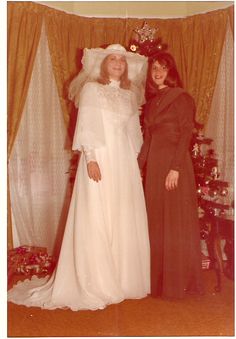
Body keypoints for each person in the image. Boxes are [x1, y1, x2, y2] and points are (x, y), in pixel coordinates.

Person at [8, 44, 150, 311]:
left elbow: (133, 133)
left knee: (122, 215)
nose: (118, 64)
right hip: (100, 158)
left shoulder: (130, 95)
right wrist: (91, 158)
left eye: (122, 60)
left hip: (123, 163)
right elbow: (86, 125)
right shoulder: (91, 90)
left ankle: (123, 278)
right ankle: (96, 280)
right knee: (97, 213)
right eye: (113, 60)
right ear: (103, 64)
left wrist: (135, 164)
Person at [138, 51, 203, 299]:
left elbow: (187, 133)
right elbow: (148, 138)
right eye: (154, 68)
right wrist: (138, 166)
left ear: (171, 71)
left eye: (163, 68)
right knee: (157, 221)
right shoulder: (152, 101)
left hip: (175, 166)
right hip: (155, 167)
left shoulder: (181, 97)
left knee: (175, 222)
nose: (157, 72)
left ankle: (180, 283)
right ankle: (159, 283)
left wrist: (175, 167)